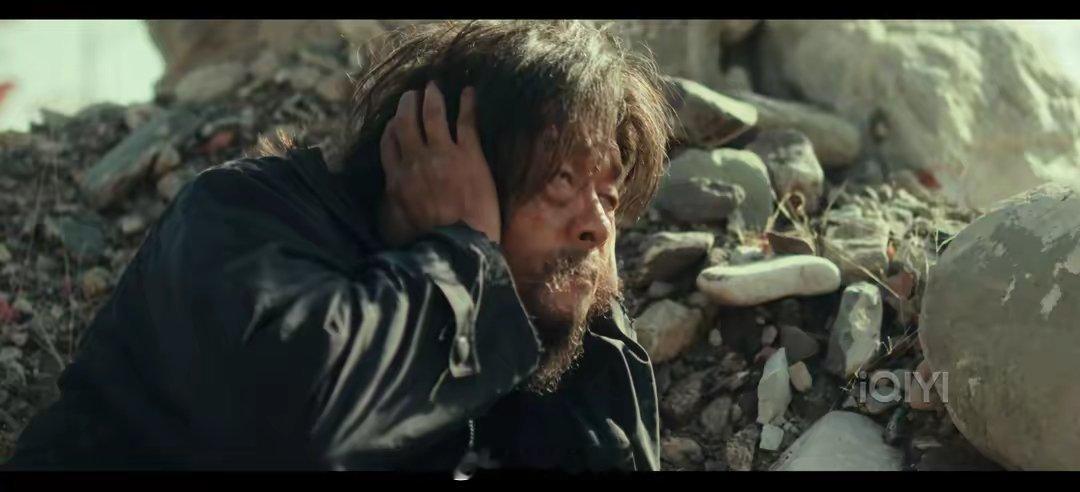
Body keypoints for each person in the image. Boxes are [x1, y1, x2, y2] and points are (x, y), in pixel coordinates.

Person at [7, 20, 674, 472]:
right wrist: (464, 251)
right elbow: (301, 422)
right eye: (563, 179)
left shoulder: (505, 323)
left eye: (610, 196)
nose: (597, 225)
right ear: (448, 155)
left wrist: (595, 315)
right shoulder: (243, 219)